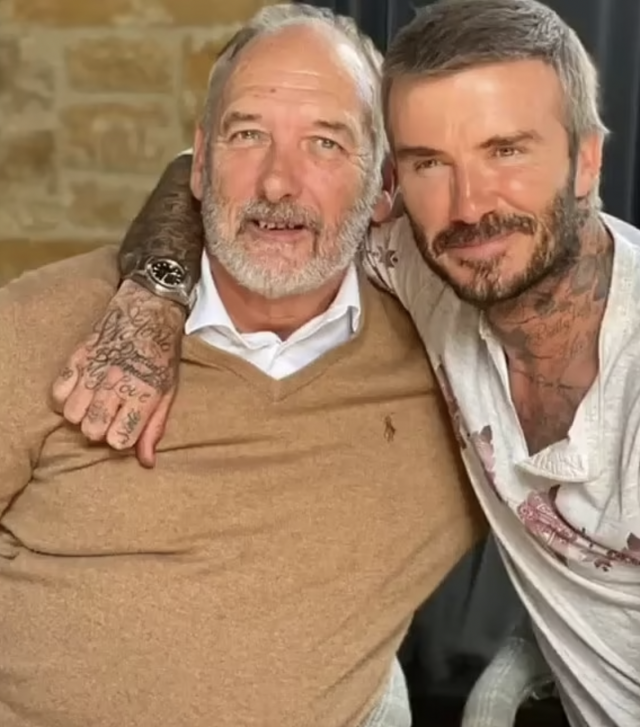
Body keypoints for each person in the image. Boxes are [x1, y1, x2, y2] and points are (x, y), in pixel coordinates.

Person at [52, 0, 640, 725]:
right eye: (430, 161)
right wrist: (156, 293)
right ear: (392, 183)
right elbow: (220, 180)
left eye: (506, 151)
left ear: (588, 159)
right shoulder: (426, 264)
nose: (469, 204)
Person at [0, 6, 484, 727]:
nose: (278, 183)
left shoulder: (454, 369)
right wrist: (159, 285)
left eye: (325, 143)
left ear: (384, 186)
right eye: (248, 134)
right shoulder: (48, 323)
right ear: (200, 164)